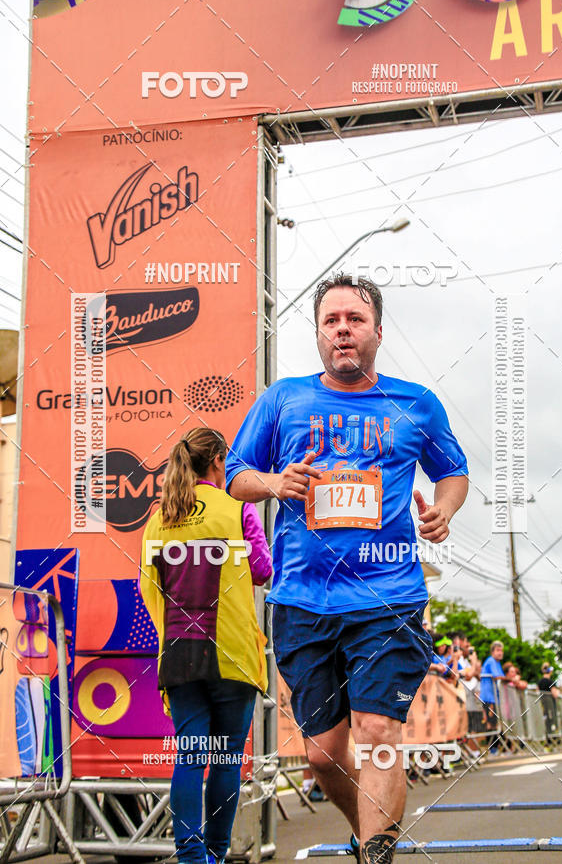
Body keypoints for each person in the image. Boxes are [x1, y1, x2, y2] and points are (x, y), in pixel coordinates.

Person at [226, 274, 469, 864]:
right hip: (303, 601)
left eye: (355, 320)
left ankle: (377, 855)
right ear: (317, 334)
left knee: (379, 734)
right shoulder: (283, 400)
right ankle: (369, 831)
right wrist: (275, 482)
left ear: (377, 332)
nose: (342, 329)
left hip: (388, 595)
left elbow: (453, 471)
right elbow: (236, 474)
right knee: (322, 754)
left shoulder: (414, 403)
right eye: (331, 321)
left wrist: (443, 510)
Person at [139, 428, 272, 864]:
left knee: (192, 756)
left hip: (180, 653)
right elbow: (262, 571)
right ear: (217, 461)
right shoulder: (238, 511)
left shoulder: (159, 519)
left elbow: (148, 588)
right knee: (228, 758)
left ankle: (191, 858)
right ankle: (215, 854)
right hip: (233, 652)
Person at [479, 641, 505, 755]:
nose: (500, 653)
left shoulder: (497, 663)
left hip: (494, 697)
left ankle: (496, 747)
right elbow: (497, 677)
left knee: (495, 723)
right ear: (493, 651)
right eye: (498, 650)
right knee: (491, 723)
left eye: (501, 650)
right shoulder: (491, 661)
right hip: (489, 697)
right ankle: (492, 748)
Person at [538, 662, 560, 745]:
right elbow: (555, 694)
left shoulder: (540, 682)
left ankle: (548, 737)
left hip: (543, 703)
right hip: (550, 703)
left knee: (546, 719)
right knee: (552, 719)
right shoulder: (550, 681)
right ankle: (553, 738)